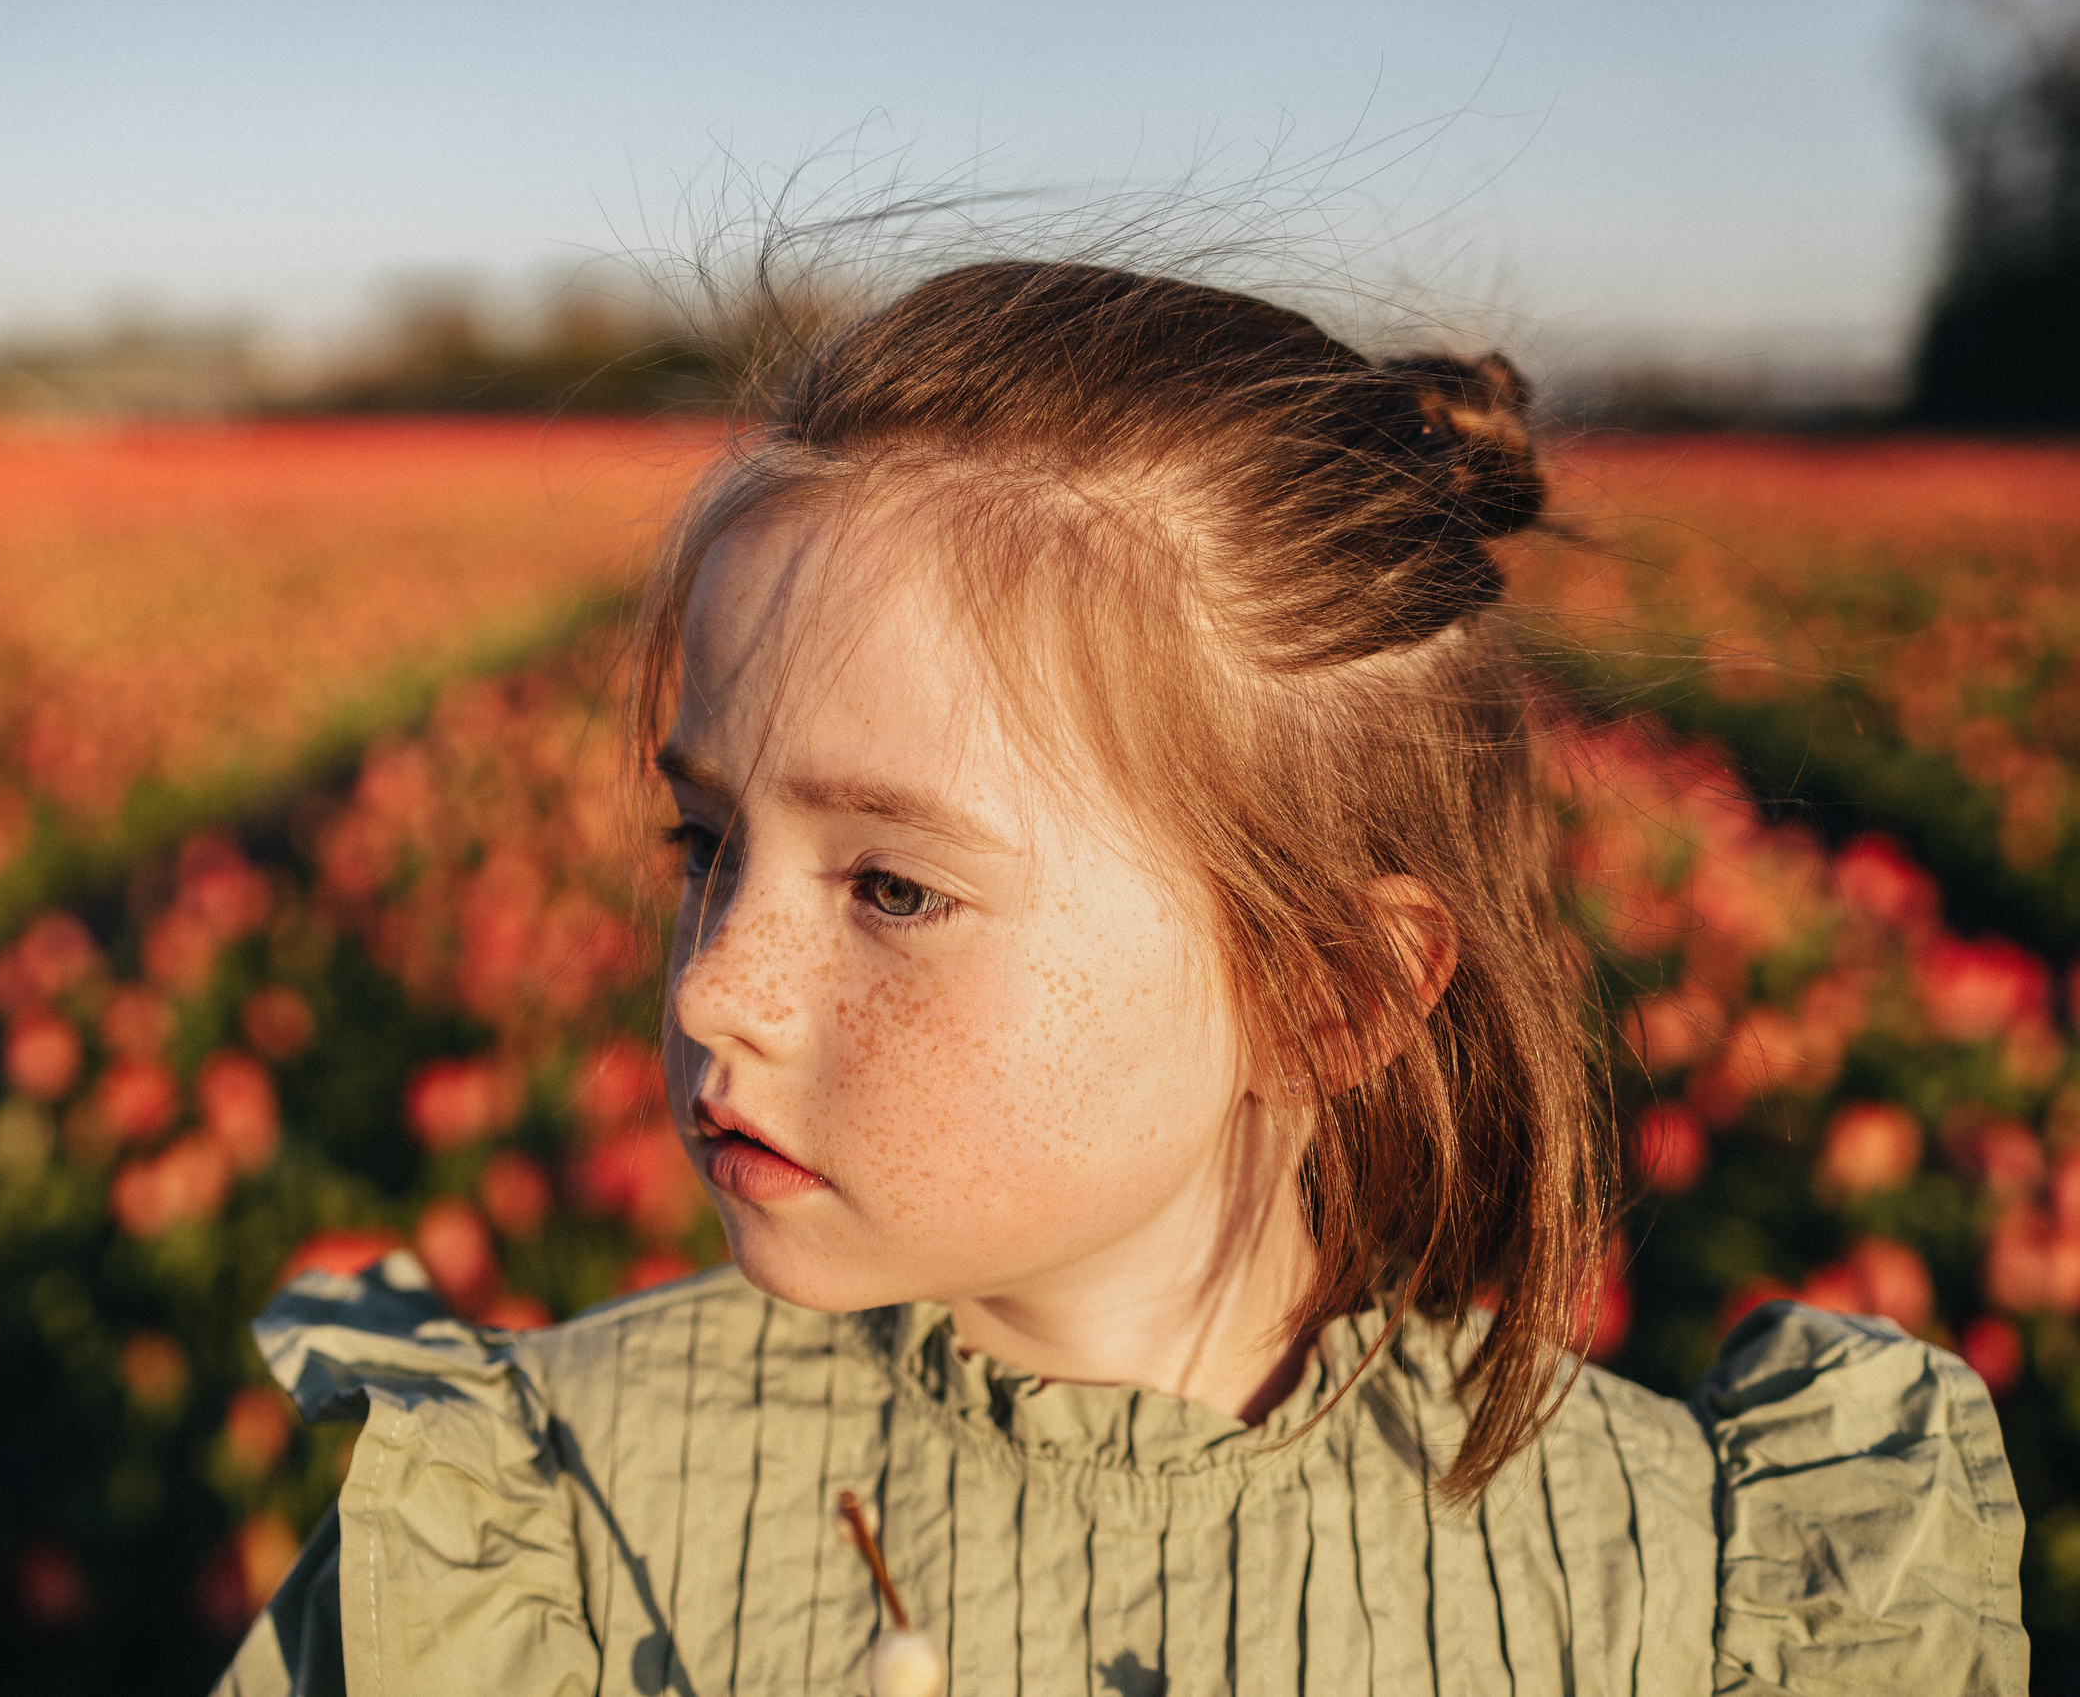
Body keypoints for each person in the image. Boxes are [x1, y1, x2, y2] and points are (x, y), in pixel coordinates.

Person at [215, 261, 2026, 1696]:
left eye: (897, 887)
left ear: (1327, 993)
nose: (711, 988)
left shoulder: (1683, 1591)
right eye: (707, 847)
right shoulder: (551, 1522)